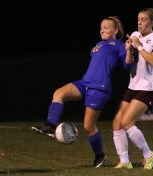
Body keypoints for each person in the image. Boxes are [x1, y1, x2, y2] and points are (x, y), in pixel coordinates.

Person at [31, 16, 128, 167]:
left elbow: (127, 65)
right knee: (59, 93)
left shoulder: (119, 44)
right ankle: (50, 126)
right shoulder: (98, 44)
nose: (102, 30)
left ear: (116, 30)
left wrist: (130, 50)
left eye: (107, 27)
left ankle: (100, 156)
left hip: (100, 88)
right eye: (101, 27)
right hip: (85, 83)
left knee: (89, 127)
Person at [112, 8, 153, 169]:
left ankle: (149, 155)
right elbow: (129, 62)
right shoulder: (134, 35)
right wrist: (128, 49)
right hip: (132, 86)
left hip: (147, 88)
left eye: (144, 19)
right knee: (117, 123)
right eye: (139, 19)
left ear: (152, 22)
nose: (140, 22)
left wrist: (139, 46)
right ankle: (125, 162)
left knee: (127, 122)